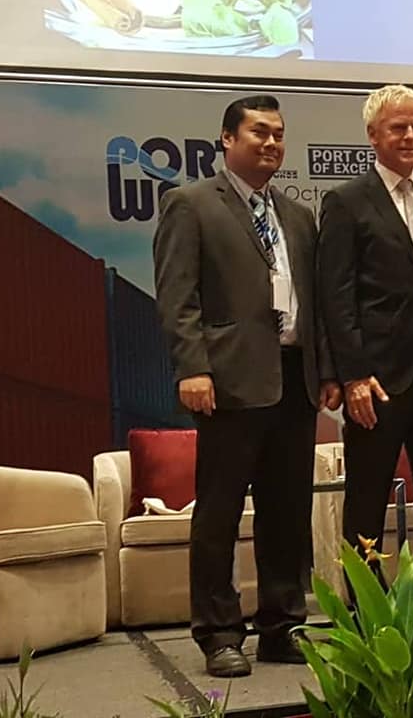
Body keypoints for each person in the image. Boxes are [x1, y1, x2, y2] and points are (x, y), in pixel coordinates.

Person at [154, 95, 342, 677]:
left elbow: (316, 303)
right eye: (259, 132)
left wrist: (327, 372)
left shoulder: (298, 215)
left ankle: (282, 626)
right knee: (220, 513)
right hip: (228, 380)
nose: (271, 143)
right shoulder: (191, 204)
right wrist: (192, 367)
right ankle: (219, 633)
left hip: (294, 379)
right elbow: (178, 295)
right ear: (227, 139)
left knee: (286, 512)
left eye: (278, 134)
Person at [317, 85, 413, 637]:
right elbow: (336, 295)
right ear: (373, 136)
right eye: (397, 128)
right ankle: (368, 618)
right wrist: (352, 374)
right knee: (367, 498)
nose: (409, 136)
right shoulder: (346, 201)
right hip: (377, 378)